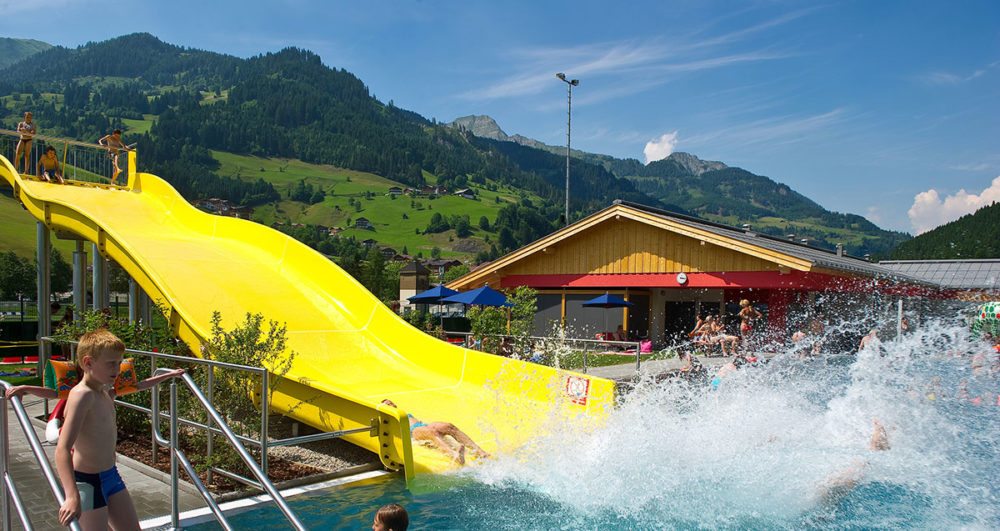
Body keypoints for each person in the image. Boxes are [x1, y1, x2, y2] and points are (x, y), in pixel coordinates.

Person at [6, 329, 185, 529]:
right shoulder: (82, 395)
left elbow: (140, 385)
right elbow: (62, 449)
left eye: (119, 362)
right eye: (111, 364)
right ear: (89, 363)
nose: (117, 369)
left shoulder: (106, 392)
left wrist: (169, 375)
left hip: (111, 475)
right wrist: (72, 496)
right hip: (87, 482)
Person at [380, 399, 490, 465]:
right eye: (387, 404)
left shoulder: (404, 413)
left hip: (423, 425)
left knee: (449, 426)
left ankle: (479, 451)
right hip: (413, 432)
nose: (390, 403)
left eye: (391, 402)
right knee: (431, 432)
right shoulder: (391, 418)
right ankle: (455, 456)